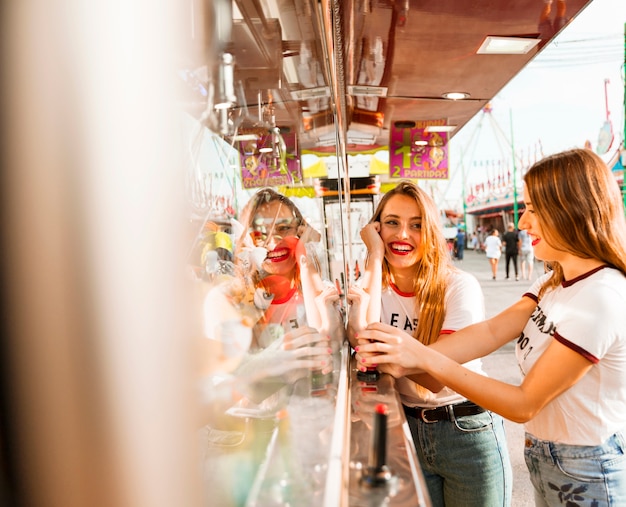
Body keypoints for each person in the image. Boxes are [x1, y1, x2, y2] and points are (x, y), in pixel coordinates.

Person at [355, 149, 626, 506]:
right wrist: (406, 356)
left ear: (570, 209)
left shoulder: (601, 296)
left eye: (532, 209)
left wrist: (415, 356)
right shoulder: (553, 282)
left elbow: (524, 403)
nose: (523, 223)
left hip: (587, 466)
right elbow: (491, 333)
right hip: (545, 455)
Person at [347, 181, 512, 507]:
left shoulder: (459, 286)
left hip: (466, 434)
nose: (402, 234)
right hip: (408, 429)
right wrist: (374, 255)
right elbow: (366, 349)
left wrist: (373, 346)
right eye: (392, 222)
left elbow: (435, 379)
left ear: (432, 231)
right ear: (376, 228)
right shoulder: (377, 284)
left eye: (416, 225)